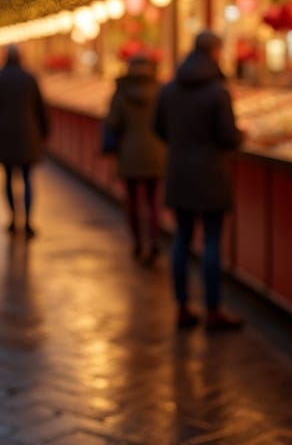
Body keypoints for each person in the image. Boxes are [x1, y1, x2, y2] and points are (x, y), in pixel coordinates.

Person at [153, 31, 245, 331]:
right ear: (216, 53)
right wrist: (241, 136)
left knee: (181, 238)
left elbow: (159, 129)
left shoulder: (169, 89)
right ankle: (213, 309)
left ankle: (182, 306)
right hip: (211, 175)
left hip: (179, 173)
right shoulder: (218, 92)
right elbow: (228, 137)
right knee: (212, 242)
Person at [0, 44, 48, 238]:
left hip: (3, 135)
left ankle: (12, 218)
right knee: (27, 179)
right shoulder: (30, 78)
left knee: (9, 178)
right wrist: (44, 132)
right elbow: (40, 108)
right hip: (28, 134)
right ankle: (27, 220)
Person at [103, 53, 165, 265]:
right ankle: (155, 238)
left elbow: (113, 122)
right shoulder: (160, 91)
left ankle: (138, 241)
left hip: (128, 153)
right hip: (157, 153)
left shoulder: (121, 93)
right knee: (153, 200)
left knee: (132, 201)